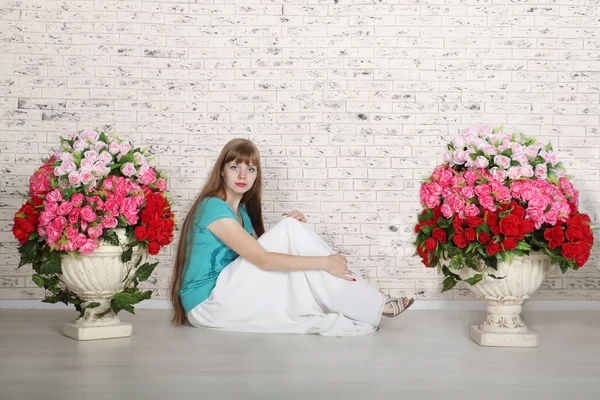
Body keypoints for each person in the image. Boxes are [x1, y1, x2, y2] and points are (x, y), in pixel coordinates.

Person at [170, 138, 414, 337]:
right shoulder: (212, 206)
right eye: (235, 167)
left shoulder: (241, 212)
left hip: (226, 294)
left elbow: (261, 257)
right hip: (208, 304)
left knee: (292, 228)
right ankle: (377, 304)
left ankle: (374, 302)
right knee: (290, 231)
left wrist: (294, 228)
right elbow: (263, 260)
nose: (243, 174)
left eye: (250, 169)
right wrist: (323, 262)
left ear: (256, 175)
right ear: (222, 171)